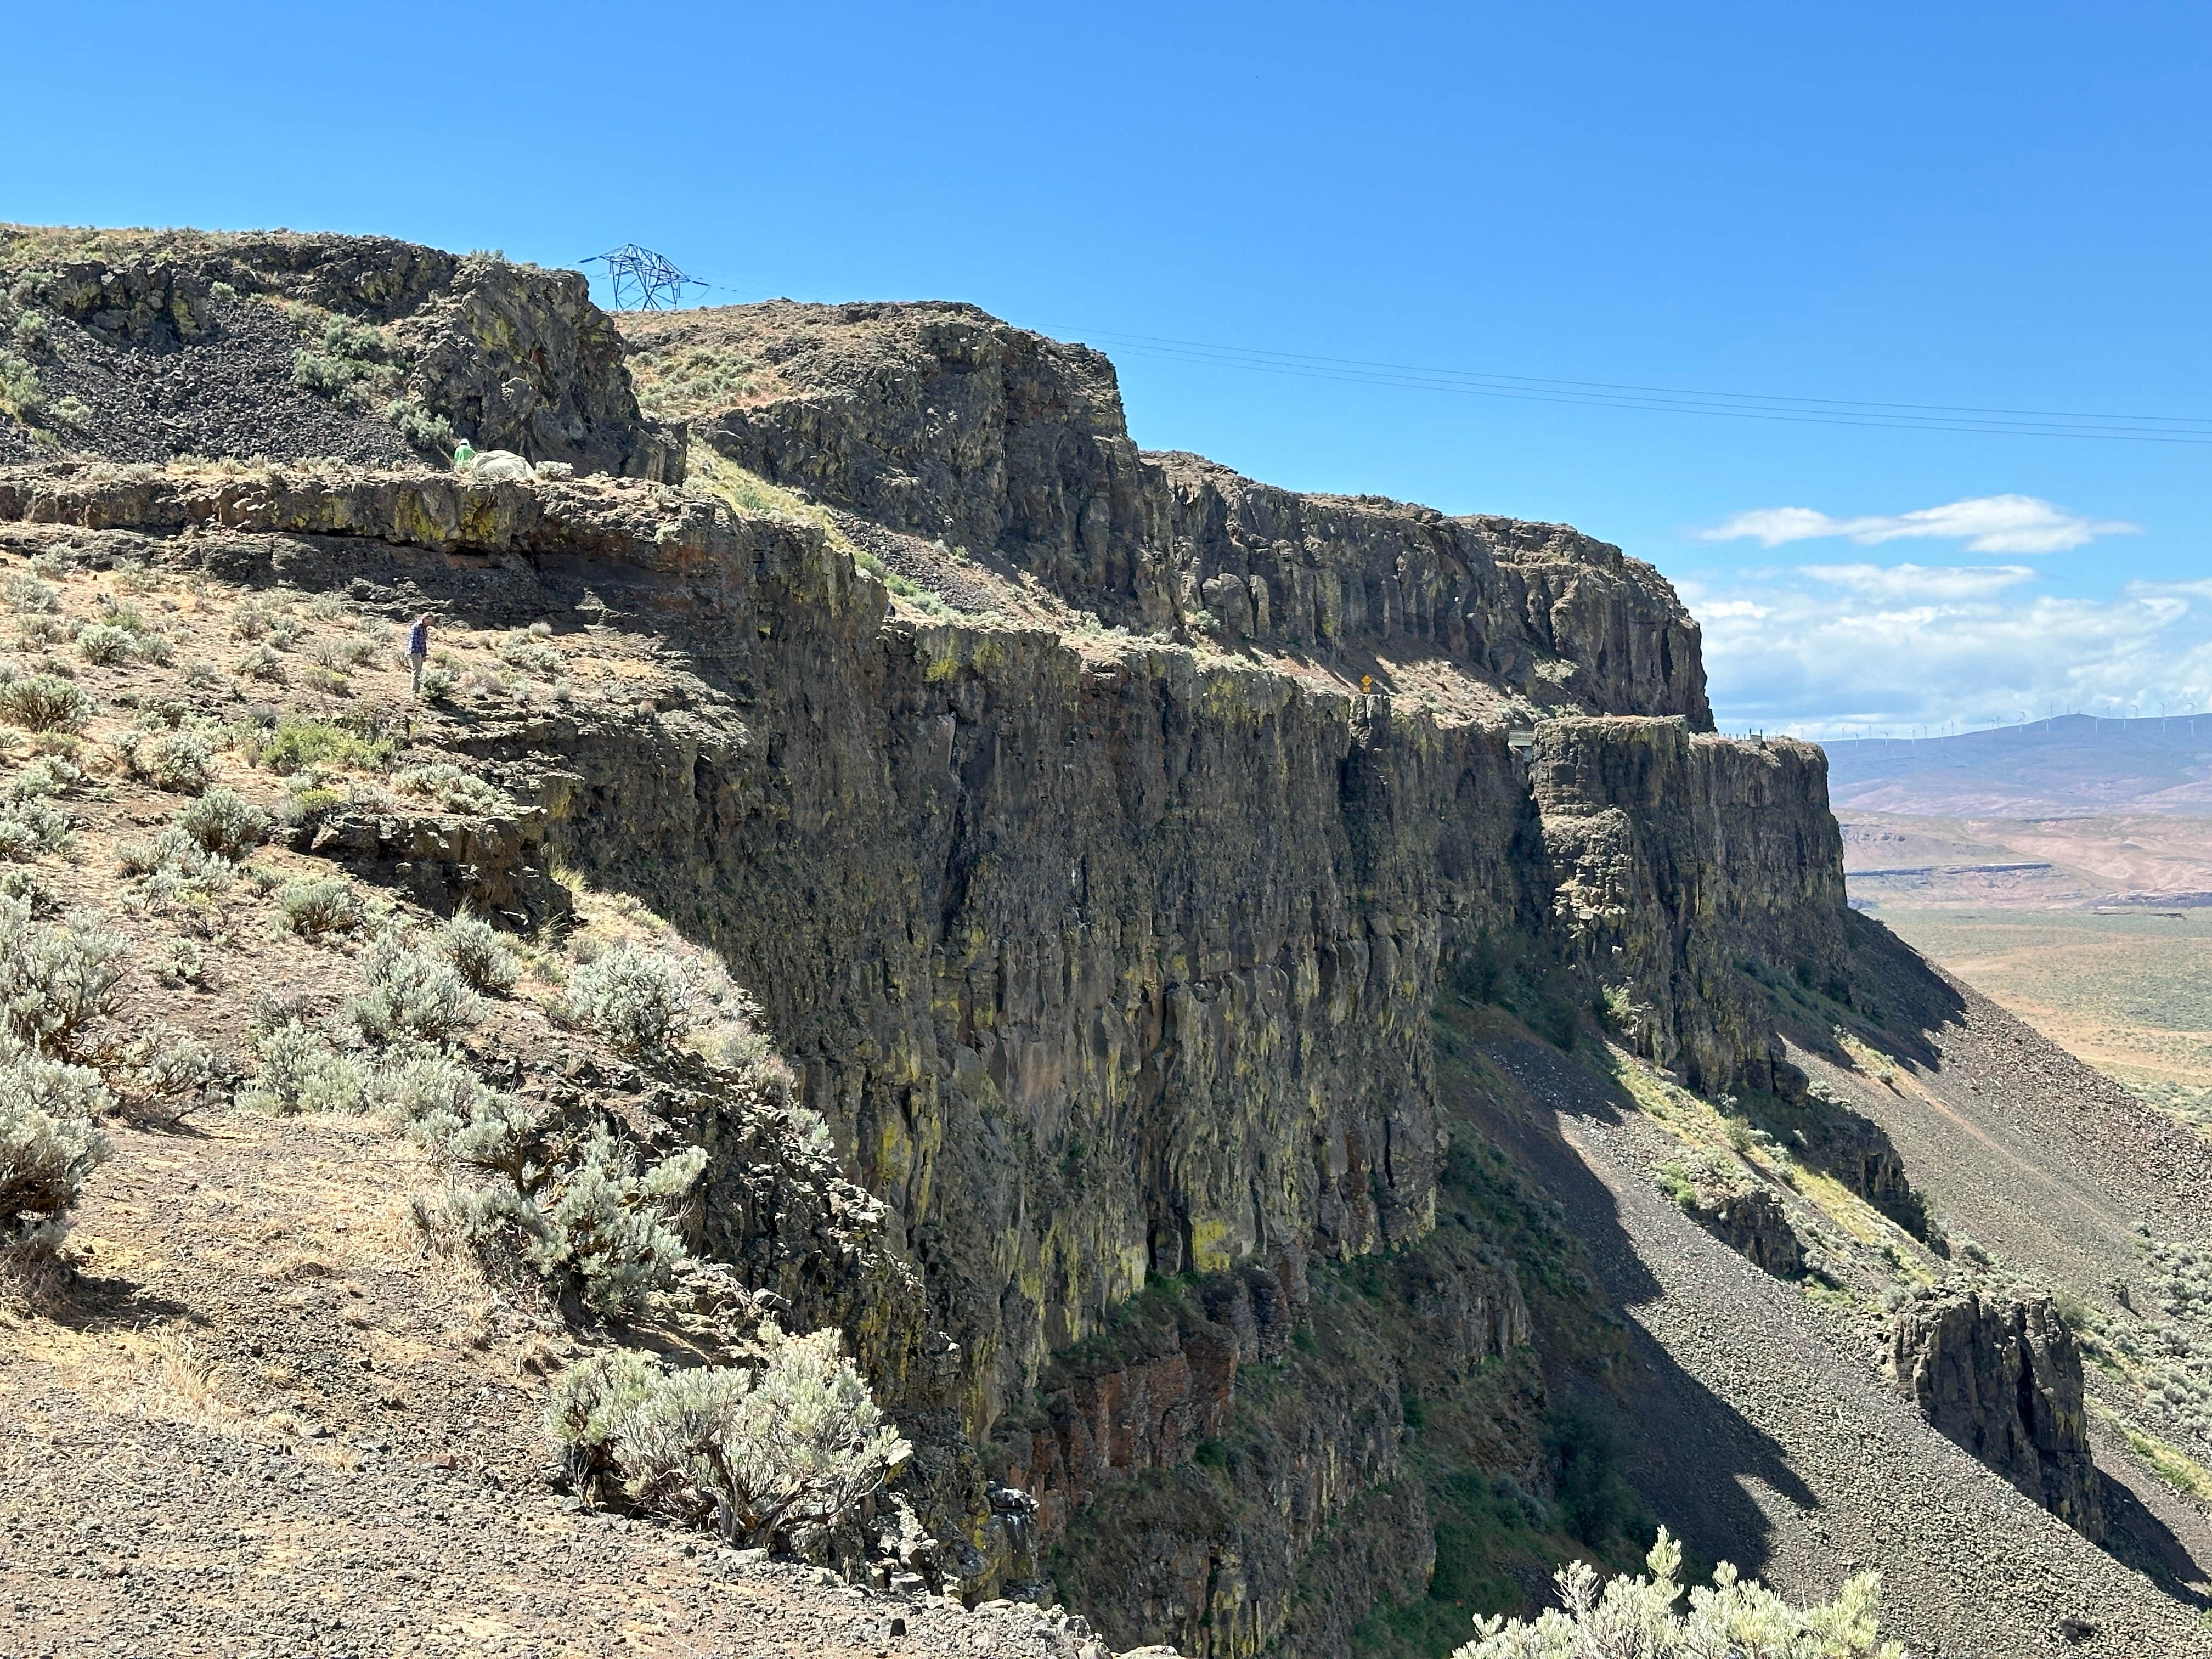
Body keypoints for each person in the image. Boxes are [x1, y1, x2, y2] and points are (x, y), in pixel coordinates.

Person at [407, 613, 431, 695]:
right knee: (416, 672)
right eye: (428, 620)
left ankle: (417, 691)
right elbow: (414, 641)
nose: (429, 622)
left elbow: (423, 642)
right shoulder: (416, 627)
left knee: (419, 672)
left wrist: (424, 653)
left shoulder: (424, 628)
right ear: (425, 619)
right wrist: (419, 653)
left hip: (420, 653)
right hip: (415, 652)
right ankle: (414, 692)